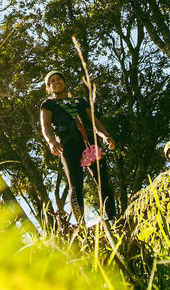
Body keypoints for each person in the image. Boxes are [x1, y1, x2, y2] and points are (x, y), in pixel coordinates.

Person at [38, 71, 117, 225]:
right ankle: (81, 225)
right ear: (49, 87)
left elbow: (94, 121)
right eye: (52, 81)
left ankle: (113, 218)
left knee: (103, 180)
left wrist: (105, 135)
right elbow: (45, 126)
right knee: (75, 184)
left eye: (58, 79)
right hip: (67, 144)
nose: (56, 82)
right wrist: (51, 142)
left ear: (64, 81)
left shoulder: (80, 101)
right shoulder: (48, 104)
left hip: (89, 142)